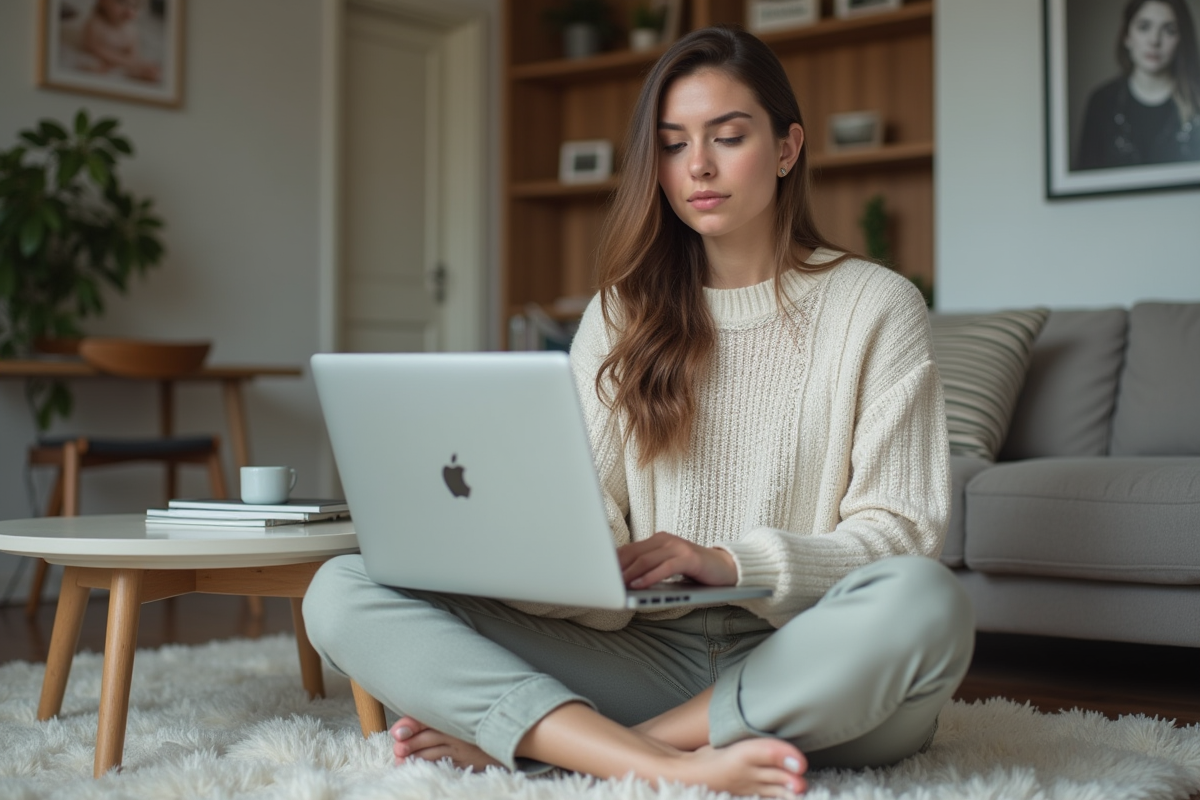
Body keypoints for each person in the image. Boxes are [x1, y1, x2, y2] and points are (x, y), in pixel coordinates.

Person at [303, 26, 973, 798]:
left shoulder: (876, 304)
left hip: (813, 666)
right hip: (640, 656)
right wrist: (530, 557)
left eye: (728, 136)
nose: (699, 167)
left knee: (928, 601)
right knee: (343, 587)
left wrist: (730, 565)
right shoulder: (621, 313)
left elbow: (901, 535)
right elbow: (591, 528)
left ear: (787, 149)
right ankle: (658, 764)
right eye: (673, 143)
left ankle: (584, 750)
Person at [1076, 0, 1200, 170]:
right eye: (1144, 27)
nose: (1154, 40)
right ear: (1126, 36)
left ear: (1181, 39)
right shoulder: (1102, 102)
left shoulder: (1196, 100)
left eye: (1169, 30)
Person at [77, 0, 162, 83]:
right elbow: (92, 49)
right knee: (90, 64)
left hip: (121, 61)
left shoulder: (131, 29)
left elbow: (133, 53)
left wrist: (134, 63)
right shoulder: (96, 24)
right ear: (102, 2)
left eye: (134, 6)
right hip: (98, 58)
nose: (129, 11)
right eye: (122, 2)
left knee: (139, 65)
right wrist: (126, 62)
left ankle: (141, 73)